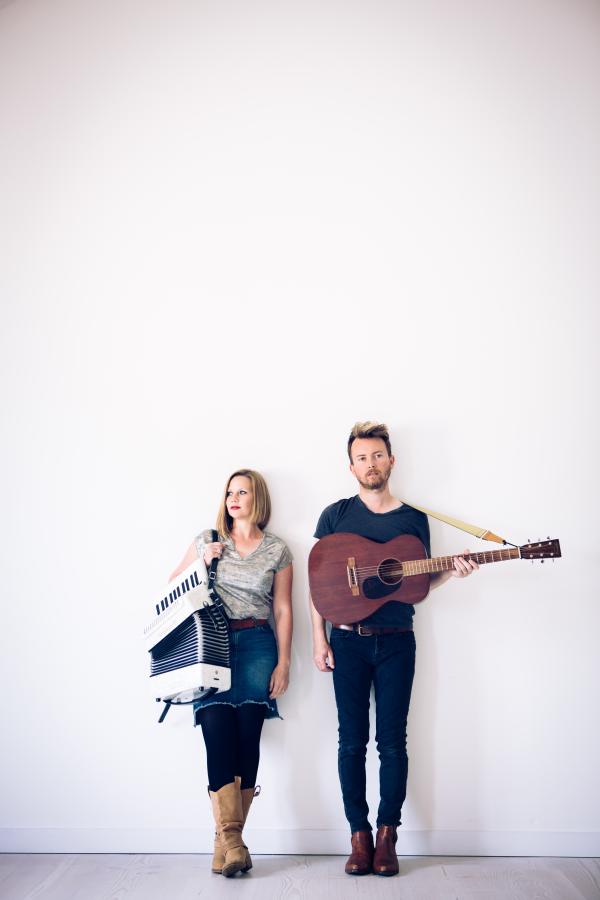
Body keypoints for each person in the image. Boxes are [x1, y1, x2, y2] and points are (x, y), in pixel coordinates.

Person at [310, 422, 478, 877]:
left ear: (392, 460)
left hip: (398, 643)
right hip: (346, 641)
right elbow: (319, 586)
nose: (371, 463)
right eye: (362, 457)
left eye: (378, 455)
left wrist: (453, 572)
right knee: (351, 742)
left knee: (392, 743)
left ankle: (387, 836)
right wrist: (318, 638)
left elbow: (418, 580)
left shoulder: (412, 520)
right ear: (351, 466)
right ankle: (358, 836)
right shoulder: (335, 516)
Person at [170, 469, 293, 878]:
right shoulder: (208, 540)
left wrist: (284, 661)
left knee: (247, 738)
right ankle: (234, 841)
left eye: (242, 492)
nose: (233, 499)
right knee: (217, 734)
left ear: (258, 498)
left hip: (258, 642)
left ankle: (225, 843)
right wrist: (200, 565)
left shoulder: (278, 549)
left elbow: (282, 608)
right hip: (212, 647)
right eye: (229, 493)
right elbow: (172, 589)